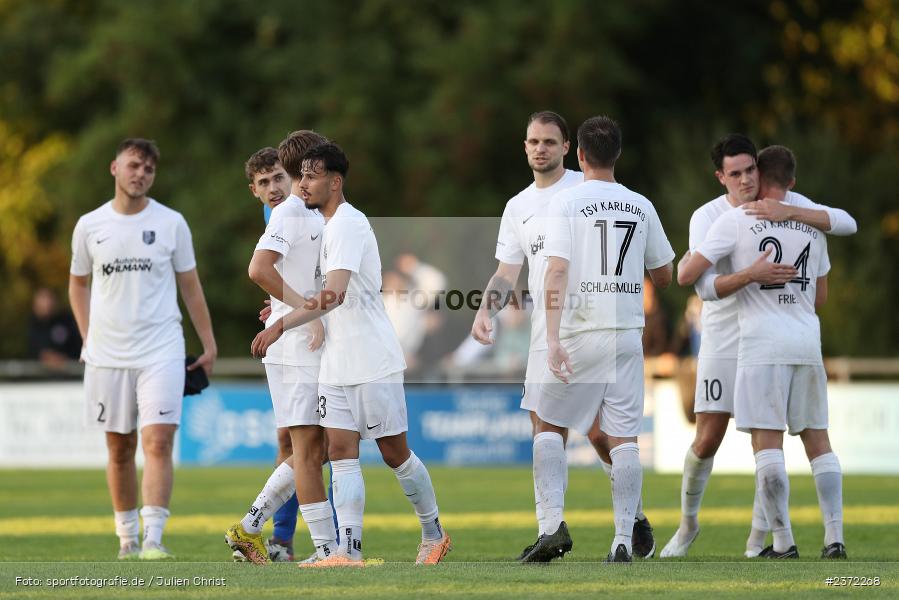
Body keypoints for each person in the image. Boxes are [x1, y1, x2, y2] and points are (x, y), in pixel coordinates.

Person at [251, 142, 451, 566]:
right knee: (340, 453)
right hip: (335, 359)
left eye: (310, 176)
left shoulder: (348, 224)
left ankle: (434, 533)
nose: (301, 184)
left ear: (334, 182)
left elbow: (334, 295)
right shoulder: (324, 224)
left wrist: (283, 322)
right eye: (300, 175)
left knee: (395, 453)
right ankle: (347, 552)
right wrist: (284, 305)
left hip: (371, 357)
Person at [469, 111, 654, 561]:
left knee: (593, 432)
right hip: (545, 328)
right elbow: (507, 272)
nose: (540, 149)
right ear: (524, 146)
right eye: (533, 141)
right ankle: (568, 527)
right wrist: (484, 309)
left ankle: (623, 521)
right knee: (548, 425)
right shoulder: (518, 207)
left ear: (569, 147)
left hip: (585, 327)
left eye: (549, 142)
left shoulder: (585, 191)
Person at [660, 135, 857, 558]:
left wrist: (788, 210)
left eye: (752, 170)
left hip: (762, 338)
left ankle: (761, 541)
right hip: (726, 337)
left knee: (766, 440)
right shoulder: (710, 216)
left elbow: (843, 220)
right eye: (737, 173)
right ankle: (688, 523)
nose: (747, 179)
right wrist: (751, 275)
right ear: (721, 178)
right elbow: (695, 281)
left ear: (762, 170)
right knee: (709, 437)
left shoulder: (791, 207)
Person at [531, 115, 674, 563]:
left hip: (579, 329)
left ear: (579, 155)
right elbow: (665, 275)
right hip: (627, 332)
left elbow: (556, 270)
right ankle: (620, 540)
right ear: (618, 154)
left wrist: (551, 338)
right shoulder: (641, 204)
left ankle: (551, 525)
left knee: (548, 423)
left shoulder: (567, 204)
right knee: (625, 438)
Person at [68, 138, 216, 560]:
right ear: (114, 168)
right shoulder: (89, 225)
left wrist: (207, 341)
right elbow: (77, 283)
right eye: (134, 165)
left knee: (158, 442)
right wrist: (87, 335)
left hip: (162, 349)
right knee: (119, 447)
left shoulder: (171, 223)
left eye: (149, 169)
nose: (141, 174)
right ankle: (127, 539)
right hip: (107, 355)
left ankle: (153, 539)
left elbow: (190, 285)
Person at [226, 136, 336, 565]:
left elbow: (303, 270)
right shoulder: (290, 211)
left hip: (298, 335)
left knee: (314, 447)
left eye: (279, 177)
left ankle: (263, 532)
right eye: (264, 181)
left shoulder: (303, 210)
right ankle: (310, 545)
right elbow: (260, 268)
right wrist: (302, 307)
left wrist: (287, 302)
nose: (274, 186)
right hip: (297, 341)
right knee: (310, 447)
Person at [28, 286, 82, 370]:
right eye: (42, 299)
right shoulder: (32, 325)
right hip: (41, 377)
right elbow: (32, 351)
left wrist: (65, 359)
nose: (46, 303)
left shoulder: (67, 321)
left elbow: (79, 346)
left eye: (49, 298)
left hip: (70, 375)